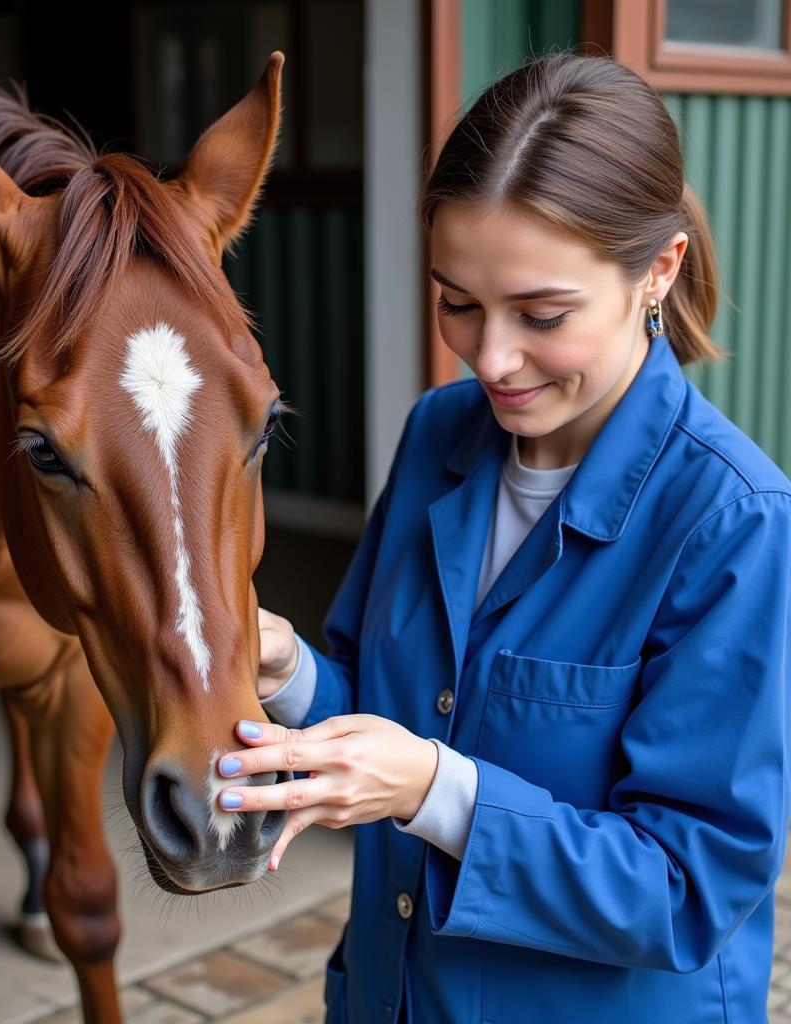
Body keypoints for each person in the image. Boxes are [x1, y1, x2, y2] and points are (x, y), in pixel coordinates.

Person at [212, 52, 791, 1023]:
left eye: (542, 314)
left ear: (658, 269)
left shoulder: (732, 520)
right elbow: (378, 708)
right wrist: (284, 671)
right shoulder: (439, 431)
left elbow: (686, 887)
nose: (491, 357)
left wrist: (436, 789)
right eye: (457, 303)